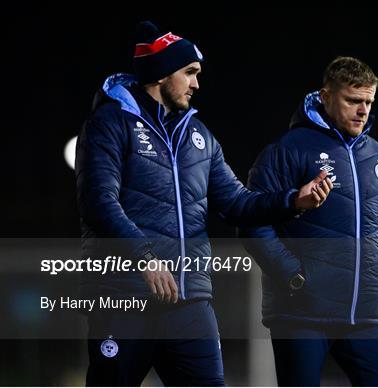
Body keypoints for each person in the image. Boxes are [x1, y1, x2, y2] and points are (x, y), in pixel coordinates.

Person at [75, 21, 332, 386]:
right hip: (123, 297)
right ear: (163, 74)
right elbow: (99, 202)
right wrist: (145, 259)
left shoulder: (200, 137)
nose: (197, 83)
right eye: (190, 72)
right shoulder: (108, 124)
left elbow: (237, 203)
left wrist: (295, 200)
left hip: (189, 300)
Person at [241, 56, 378, 386]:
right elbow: (251, 221)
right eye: (354, 100)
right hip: (301, 314)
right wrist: (293, 276)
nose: (363, 110)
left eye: (368, 102)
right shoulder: (286, 151)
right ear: (326, 97)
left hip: (364, 314)